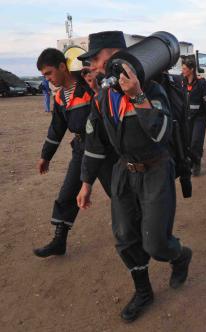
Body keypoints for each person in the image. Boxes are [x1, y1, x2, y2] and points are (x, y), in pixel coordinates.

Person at [76, 31, 192, 323]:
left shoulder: (152, 89)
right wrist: (86, 182)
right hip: (124, 172)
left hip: (155, 170)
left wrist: (137, 96)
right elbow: (95, 142)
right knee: (126, 237)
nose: (91, 65)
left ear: (115, 54)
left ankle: (179, 256)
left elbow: (163, 134)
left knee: (156, 244)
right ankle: (143, 291)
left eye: (95, 59)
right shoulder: (102, 96)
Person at [33, 48, 115, 258]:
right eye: (44, 76)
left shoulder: (88, 86)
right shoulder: (60, 97)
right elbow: (57, 128)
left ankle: (143, 235)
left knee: (118, 193)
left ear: (62, 66)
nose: (48, 79)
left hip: (103, 150)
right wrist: (46, 156)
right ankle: (59, 241)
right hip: (80, 149)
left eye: (49, 73)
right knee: (68, 193)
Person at [181, 57, 206, 176]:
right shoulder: (182, 82)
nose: (182, 70)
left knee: (196, 141)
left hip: (200, 117)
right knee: (188, 142)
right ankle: (191, 161)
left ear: (191, 69)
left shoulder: (201, 83)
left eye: (184, 68)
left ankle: (197, 162)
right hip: (187, 117)